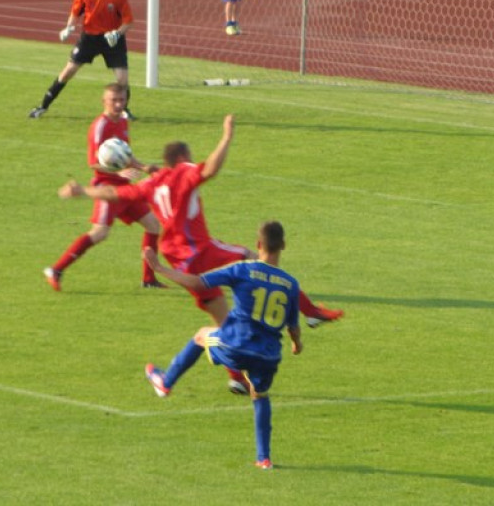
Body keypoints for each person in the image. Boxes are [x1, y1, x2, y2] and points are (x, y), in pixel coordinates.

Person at [58, 114, 342, 392]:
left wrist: (82, 191)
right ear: (183, 158)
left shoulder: (151, 184)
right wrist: (226, 137)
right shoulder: (183, 172)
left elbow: (115, 194)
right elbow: (210, 169)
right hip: (200, 251)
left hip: (179, 259)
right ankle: (312, 312)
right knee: (256, 259)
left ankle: (227, 378)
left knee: (223, 322)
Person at [144, 220, 302, 471]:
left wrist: (160, 268)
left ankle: (165, 382)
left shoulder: (243, 269)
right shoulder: (290, 283)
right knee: (259, 396)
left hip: (236, 345)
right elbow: (293, 326)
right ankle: (264, 458)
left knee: (202, 335)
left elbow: (197, 283)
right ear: (283, 245)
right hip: (268, 356)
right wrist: (296, 344)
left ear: (258, 244)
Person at [43, 82, 165, 292]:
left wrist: (144, 167)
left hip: (125, 186)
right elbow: (93, 162)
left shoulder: (123, 122)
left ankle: (148, 279)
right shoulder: (100, 126)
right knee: (100, 233)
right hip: (107, 187)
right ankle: (56, 270)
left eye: (122, 100)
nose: (118, 105)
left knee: (154, 225)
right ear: (104, 101)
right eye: (114, 100)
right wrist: (116, 173)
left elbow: (124, 155)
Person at [29, 0, 136, 119]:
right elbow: (75, 13)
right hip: (90, 38)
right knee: (68, 72)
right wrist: (68, 28)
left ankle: (124, 110)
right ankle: (43, 106)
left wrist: (117, 33)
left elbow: (128, 21)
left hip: (112, 39)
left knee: (122, 79)